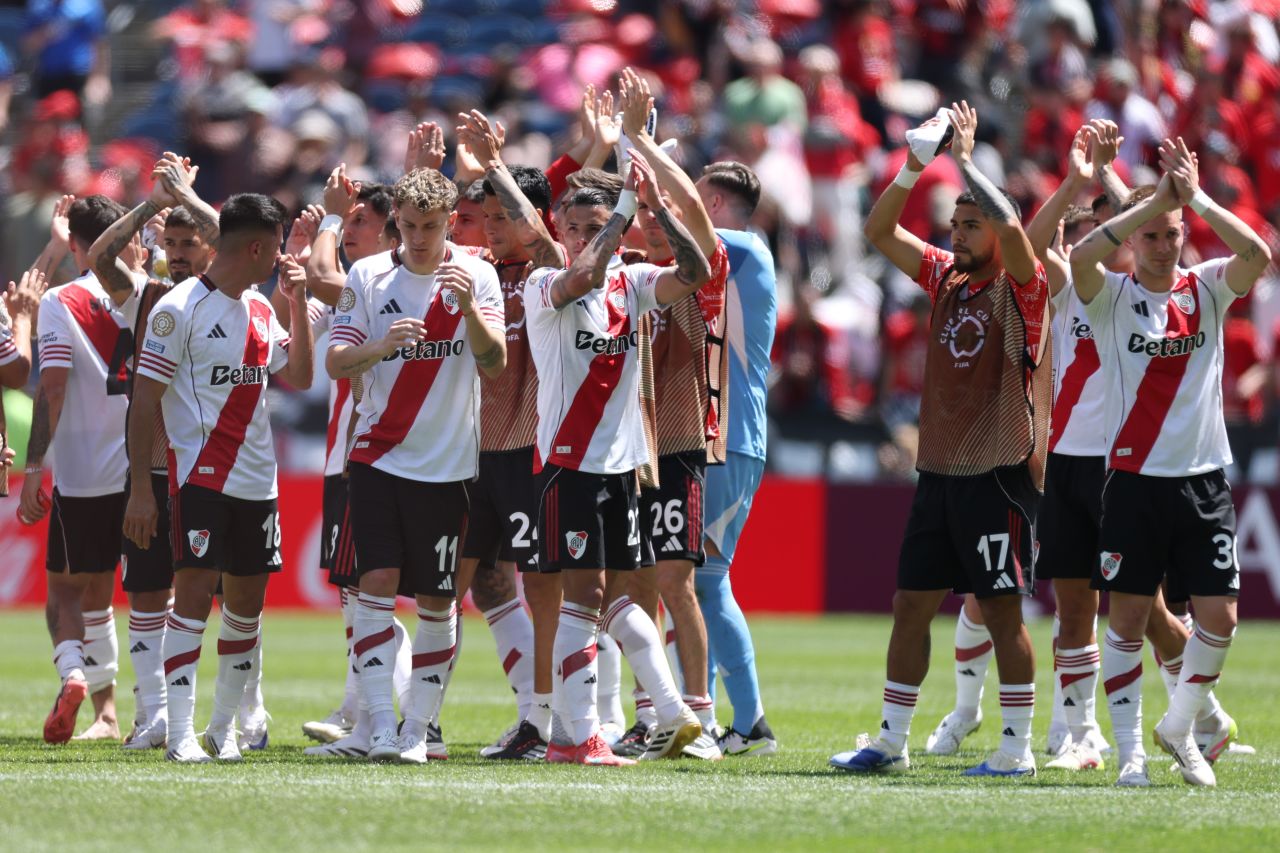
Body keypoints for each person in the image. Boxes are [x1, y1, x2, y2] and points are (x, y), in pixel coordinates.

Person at [830, 102, 1051, 778]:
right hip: (939, 472)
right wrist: (916, 164)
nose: (956, 234)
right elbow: (877, 230)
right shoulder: (946, 278)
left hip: (997, 472)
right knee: (910, 605)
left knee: (1001, 608)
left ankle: (1015, 746)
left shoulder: (1024, 287)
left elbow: (1014, 226)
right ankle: (892, 738)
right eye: (953, 223)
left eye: (969, 224)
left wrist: (964, 156)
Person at [1069, 137, 1271, 787]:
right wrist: (1153, 200)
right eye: (1151, 235)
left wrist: (1196, 197)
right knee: (1126, 621)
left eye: (1173, 234)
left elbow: (1258, 254)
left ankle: (1179, 724)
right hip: (1132, 482)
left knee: (1222, 617)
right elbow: (1080, 254)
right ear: (1134, 240)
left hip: (1203, 478)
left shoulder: (1208, 288)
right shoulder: (1110, 297)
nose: (1163, 245)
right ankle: (1130, 753)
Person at [523, 151, 711, 765]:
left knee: (618, 596)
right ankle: (576, 738)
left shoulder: (633, 284)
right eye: (573, 227)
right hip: (567, 464)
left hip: (621, 465)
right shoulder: (543, 284)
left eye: (594, 226)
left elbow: (697, 269)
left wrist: (655, 208)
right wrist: (624, 212)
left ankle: (669, 712)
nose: (581, 237)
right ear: (557, 228)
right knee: (586, 593)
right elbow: (582, 276)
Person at [124, 193, 314, 763]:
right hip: (202, 479)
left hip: (261, 485)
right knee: (192, 602)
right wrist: (140, 489)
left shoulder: (260, 307)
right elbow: (142, 404)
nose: (281, 256)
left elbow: (300, 376)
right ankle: (179, 733)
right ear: (258, 246)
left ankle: (222, 729)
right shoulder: (178, 309)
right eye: (277, 246)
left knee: (247, 610)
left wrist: (298, 304)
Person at [325, 166, 506, 764]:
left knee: (437, 601)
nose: (419, 238)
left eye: (430, 226)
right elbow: (335, 363)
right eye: (408, 226)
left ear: (451, 222)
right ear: (395, 223)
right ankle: (379, 724)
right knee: (373, 584)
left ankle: (417, 730)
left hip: (450, 466)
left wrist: (467, 309)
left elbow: (495, 363)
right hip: (378, 456)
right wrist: (380, 347)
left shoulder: (476, 275)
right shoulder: (368, 275)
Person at [606, 69, 729, 762]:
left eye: (659, 216)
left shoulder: (699, 279)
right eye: (645, 215)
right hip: (626, 448)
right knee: (630, 584)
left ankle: (701, 715)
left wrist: (639, 142)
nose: (650, 222)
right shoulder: (623, 271)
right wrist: (616, 152)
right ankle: (654, 712)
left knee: (675, 578)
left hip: (679, 442)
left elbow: (699, 222)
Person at [457, 109, 566, 761]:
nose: (495, 230)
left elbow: (545, 240)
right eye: (489, 219)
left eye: (505, 218)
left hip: (533, 453)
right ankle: (424, 720)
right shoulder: (478, 271)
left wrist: (495, 164)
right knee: (474, 585)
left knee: (547, 583)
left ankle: (560, 717)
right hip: (475, 456)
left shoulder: (549, 271)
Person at [22, 195, 135, 745]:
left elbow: (53, 389)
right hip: (143, 473)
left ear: (74, 244)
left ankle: (72, 672)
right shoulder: (146, 292)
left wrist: (31, 470)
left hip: (84, 475)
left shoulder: (61, 301)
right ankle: (114, 714)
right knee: (109, 595)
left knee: (65, 594)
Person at [691, 160, 779, 756]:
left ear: (716, 207)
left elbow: (678, 230)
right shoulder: (727, 254)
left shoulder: (744, 249)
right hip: (713, 435)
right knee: (690, 579)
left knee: (703, 578)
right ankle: (705, 716)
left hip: (733, 436)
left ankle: (747, 722)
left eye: (697, 198)